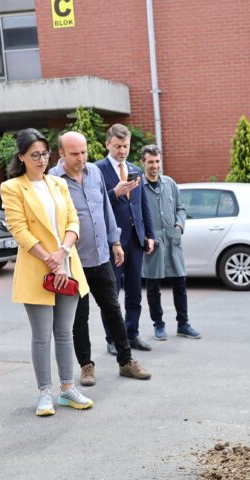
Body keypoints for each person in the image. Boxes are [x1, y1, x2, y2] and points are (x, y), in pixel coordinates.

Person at [2, 128, 94, 416]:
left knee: (65, 332)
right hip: (37, 268)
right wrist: (49, 259)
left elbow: (72, 221)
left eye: (44, 153)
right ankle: (44, 392)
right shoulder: (12, 187)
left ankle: (67, 389)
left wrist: (62, 253)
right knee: (42, 335)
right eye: (35, 155)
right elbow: (20, 230)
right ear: (22, 157)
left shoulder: (58, 184)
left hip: (67, 263)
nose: (42, 159)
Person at [48, 132, 151, 385]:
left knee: (113, 310)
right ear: (61, 153)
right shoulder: (52, 180)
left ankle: (126, 361)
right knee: (79, 317)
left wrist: (115, 241)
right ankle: (86, 366)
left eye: (84, 152)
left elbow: (105, 206)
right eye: (74, 154)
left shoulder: (94, 172)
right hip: (74, 261)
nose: (81, 158)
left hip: (101, 255)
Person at [94, 124, 156, 353]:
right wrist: (114, 193)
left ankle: (132, 334)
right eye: (118, 146)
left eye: (126, 146)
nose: (122, 151)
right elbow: (93, 205)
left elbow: (142, 205)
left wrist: (149, 234)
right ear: (107, 144)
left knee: (134, 292)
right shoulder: (97, 170)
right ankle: (113, 339)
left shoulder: (134, 169)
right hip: (113, 242)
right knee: (111, 294)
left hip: (136, 240)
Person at [140, 144, 200, 341]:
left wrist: (179, 226)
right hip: (152, 244)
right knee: (153, 288)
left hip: (173, 240)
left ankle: (183, 323)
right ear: (143, 163)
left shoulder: (170, 184)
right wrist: (145, 237)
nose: (155, 165)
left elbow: (181, 209)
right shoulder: (139, 187)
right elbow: (135, 216)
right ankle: (158, 324)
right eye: (150, 162)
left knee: (180, 284)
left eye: (157, 161)